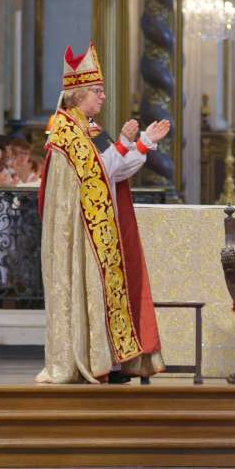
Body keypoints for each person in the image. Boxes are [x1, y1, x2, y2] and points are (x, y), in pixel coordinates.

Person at [37, 45, 169, 383]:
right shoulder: (68, 132)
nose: (103, 96)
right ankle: (90, 360)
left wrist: (143, 143)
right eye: (97, 91)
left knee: (104, 294)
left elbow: (114, 171)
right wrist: (127, 143)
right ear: (79, 94)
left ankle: (107, 360)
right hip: (82, 233)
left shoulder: (89, 128)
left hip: (97, 227)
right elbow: (96, 172)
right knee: (90, 292)